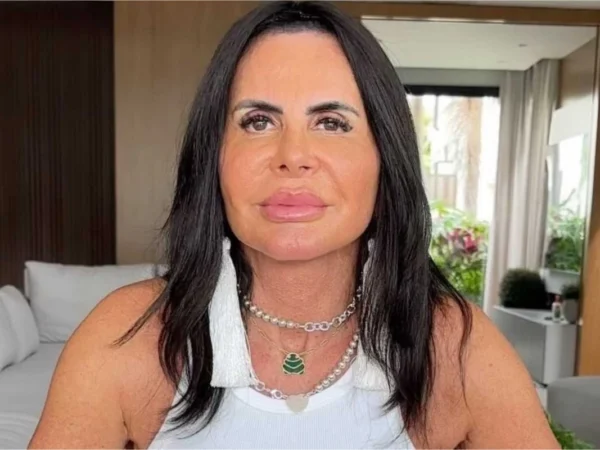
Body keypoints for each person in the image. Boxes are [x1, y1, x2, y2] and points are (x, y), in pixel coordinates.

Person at [29, 1, 559, 448]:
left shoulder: (454, 342)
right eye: (258, 121)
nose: (293, 156)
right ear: (214, 157)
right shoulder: (128, 335)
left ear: (384, 159)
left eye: (331, 122)